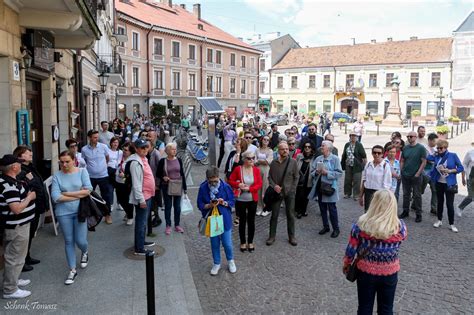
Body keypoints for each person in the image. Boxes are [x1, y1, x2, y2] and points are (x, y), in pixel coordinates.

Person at [343, 190, 407, 315]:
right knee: (386, 309)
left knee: (364, 308)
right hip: (390, 273)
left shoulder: (360, 225)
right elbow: (401, 239)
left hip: (365, 273)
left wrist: (346, 263)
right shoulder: (400, 228)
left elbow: (351, 249)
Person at [51, 151, 92, 285]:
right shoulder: (57, 175)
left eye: (67, 161)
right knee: (69, 241)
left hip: (80, 211)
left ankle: (85, 252)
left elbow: (88, 190)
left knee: (81, 240)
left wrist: (68, 193)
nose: (64, 164)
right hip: (63, 213)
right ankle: (72, 270)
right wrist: (79, 194)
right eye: (61, 162)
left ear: (74, 160)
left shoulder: (82, 172)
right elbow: (56, 197)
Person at [0, 154, 36, 298]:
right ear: (14, 167)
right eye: (19, 164)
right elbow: (16, 209)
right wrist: (30, 197)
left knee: (14, 256)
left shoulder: (7, 181)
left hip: (16, 226)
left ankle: (13, 280)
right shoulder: (8, 186)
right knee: (15, 257)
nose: (21, 165)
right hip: (17, 228)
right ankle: (10, 290)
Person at [13, 146, 48, 271]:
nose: (31, 154)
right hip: (28, 207)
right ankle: (22, 262)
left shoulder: (30, 167)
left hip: (36, 205)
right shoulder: (20, 170)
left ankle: (26, 257)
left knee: (31, 233)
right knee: (26, 235)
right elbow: (25, 188)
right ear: (20, 156)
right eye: (28, 153)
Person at [197, 167, 236, 275]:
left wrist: (224, 203)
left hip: (224, 219)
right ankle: (216, 263)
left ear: (218, 177)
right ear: (207, 178)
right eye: (210, 180)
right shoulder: (203, 187)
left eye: (215, 180)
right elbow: (199, 204)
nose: (213, 182)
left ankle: (230, 261)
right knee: (214, 244)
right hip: (211, 219)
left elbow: (232, 201)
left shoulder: (226, 187)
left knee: (227, 243)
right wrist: (209, 205)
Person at [266, 141, 299, 246]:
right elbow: (269, 177)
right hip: (277, 193)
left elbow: (296, 177)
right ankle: (272, 236)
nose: (285, 151)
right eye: (283, 149)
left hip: (289, 193)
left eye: (287, 149)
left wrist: (292, 189)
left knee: (290, 215)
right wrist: (274, 185)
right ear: (278, 150)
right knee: (274, 215)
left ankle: (292, 236)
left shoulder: (293, 162)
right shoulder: (274, 163)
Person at [228, 151, 262, 252]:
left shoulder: (256, 170)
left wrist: (250, 189)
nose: (252, 160)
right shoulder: (238, 169)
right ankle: (243, 242)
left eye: (253, 158)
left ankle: (250, 241)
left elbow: (259, 183)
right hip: (240, 200)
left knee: (251, 221)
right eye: (249, 158)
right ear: (244, 159)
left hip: (252, 199)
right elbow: (230, 180)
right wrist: (238, 185)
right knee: (242, 221)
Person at [127, 139, 156, 255]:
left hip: (148, 195)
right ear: (136, 149)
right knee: (141, 222)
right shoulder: (135, 162)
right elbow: (136, 184)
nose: (145, 149)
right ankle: (139, 248)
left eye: (146, 147)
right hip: (143, 197)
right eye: (142, 148)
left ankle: (141, 241)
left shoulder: (143, 159)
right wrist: (141, 199)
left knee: (143, 222)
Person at [427, 139, 464, 232]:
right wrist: (434, 153)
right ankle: (439, 220)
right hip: (439, 182)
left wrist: (450, 171)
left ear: (446, 148)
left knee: (449, 204)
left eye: (441, 148)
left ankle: (451, 224)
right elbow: (428, 158)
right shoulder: (437, 156)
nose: (439, 150)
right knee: (440, 202)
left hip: (449, 183)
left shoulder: (453, 155)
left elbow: (461, 167)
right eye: (438, 148)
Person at [308, 140, 343, 237]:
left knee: (332, 209)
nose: (321, 147)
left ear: (328, 148)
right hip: (320, 187)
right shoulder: (319, 158)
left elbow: (339, 173)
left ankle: (336, 229)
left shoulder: (335, 159)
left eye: (323, 146)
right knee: (322, 208)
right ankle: (326, 226)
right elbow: (312, 172)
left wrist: (327, 173)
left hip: (329, 188)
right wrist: (316, 172)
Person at [81, 129, 113, 224]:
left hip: (103, 176)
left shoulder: (103, 147)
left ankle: (107, 215)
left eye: (97, 137)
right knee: (89, 196)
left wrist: (102, 167)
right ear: (89, 138)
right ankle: (90, 215)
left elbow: (107, 158)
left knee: (106, 196)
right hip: (90, 177)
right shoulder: (84, 149)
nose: (96, 139)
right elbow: (84, 161)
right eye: (94, 137)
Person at [157, 143, 187, 235]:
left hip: (178, 185)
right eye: (172, 149)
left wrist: (185, 187)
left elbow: (182, 173)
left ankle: (177, 225)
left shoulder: (179, 160)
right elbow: (158, 173)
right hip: (167, 186)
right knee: (168, 206)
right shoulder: (163, 161)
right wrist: (163, 177)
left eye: (175, 149)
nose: (174, 150)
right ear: (167, 151)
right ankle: (168, 225)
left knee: (177, 207)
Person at [399, 131, 427, 222]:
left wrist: (418, 173)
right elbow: (402, 160)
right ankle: (405, 211)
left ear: (415, 137)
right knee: (406, 194)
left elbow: (423, 161)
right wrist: (401, 170)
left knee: (417, 195)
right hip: (405, 175)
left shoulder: (421, 148)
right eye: (408, 137)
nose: (409, 138)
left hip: (416, 176)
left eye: (411, 136)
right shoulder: (405, 148)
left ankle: (418, 214)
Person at [360, 145, 392, 211]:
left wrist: (384, 198)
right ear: (372, 153)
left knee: (378, 213)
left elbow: (387, 184)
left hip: (379, 193)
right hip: (368, 192)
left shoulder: (385, 166)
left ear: (382, 154)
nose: (376, 155)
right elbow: (364, 180)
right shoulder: (368, 164)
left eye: (379, 153)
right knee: (368, 212)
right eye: (374, 152)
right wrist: (361, 196)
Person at [341, 133, 367, 200]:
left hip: (357, 165)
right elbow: (344, 154)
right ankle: (347, 193)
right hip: (348, 164)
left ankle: (356, 195)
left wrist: (364, 166)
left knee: (357, 180)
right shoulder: (347, 144)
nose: (353, 137)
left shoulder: (359, 145)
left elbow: (364, 156)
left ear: (357, 137)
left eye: (354, 136)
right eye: (351, 136)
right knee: (347, 180)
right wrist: (342, 163)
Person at [115, 142, 135, 225]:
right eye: (123, 149)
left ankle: (130, 217)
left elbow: (132, 175)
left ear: (130, 151)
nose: (124, 151)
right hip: (118, 181)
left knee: (127, 200)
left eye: (126, 150)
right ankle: (127, 212)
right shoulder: (120, 156)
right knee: (119, 199)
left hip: (126, 183)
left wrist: (124, 176)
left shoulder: (132, 161)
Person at [295, 141, 315, 218]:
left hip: (309, 180)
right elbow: (295, 167)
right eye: (305, 146)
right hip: (299, 180)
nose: (307, 148)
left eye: (309, 147)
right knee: (299, 196)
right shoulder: (299, 156)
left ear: (311, 148)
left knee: (306, 197)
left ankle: (304, 210)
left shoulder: (314, 158)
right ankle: (299, 211)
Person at [255, 135, 273, 217]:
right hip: (257, 171)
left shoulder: (270, 151)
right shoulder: (257, 149)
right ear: (261, 140)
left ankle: (266, 207)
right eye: (264, 139)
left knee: (265, 189)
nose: (266, 141)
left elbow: (268, 162)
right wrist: (262, 161)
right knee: (258, 189)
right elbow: (254, 161)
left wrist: (259, 161)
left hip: (266, 171)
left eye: (267, 140)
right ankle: (259, 207)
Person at [422, 133, 438, 215]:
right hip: (425, 172)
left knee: (434, 190)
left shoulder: (436, 149)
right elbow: (426, 159)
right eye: (435, 141)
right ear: (430, 140)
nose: (436, 143)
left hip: (433, 173)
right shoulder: (424, 148)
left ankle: (434, 208)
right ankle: (414, 204)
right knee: (421, 190)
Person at [458, 146, 474, 216]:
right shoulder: (470, 153)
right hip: (470, 177)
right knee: (471, 197)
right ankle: (460, 207)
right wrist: (463, 178)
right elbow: (464, 165)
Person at [107, 137, 123, 210]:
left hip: (117, 171)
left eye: (117, 142)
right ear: (111, 143)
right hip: (109, 171)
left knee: (119, 189)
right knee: (110, 189)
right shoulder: (107, 151)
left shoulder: (121, 152)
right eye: (114, 142)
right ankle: (111, 204)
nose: (115, 144)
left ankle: (119, 204)